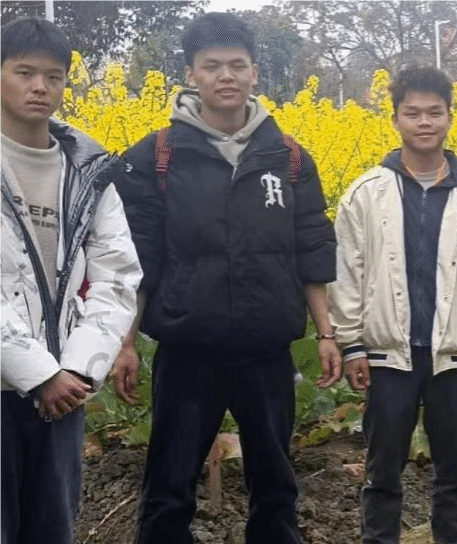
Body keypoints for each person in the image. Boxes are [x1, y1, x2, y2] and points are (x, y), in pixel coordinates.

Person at [108, 12, 339, 544]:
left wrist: (326, 332)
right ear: (191, 74)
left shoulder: (289, 157)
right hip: (188, 350)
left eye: (237, 65)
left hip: (267, 350)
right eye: (212, 66)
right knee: (168, 487)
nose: (226, 76)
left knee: (276, 487)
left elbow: (310, 249)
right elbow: (139, 262)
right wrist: (126, 343)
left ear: (255, 72)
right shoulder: (157, 156)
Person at [328, 65, 457, 544]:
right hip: (389, 356)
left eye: (434, 112)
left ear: (450, 117)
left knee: (456, 472)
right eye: (413, 113)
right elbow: (346, 273)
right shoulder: (366, 194)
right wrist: (351, 344)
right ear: (395, 119)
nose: (424, 122)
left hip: (455, 356)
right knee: (382, 471)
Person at [0, 16, 142, 544]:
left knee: (52, 529)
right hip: (21, 383)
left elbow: (117, 276)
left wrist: (77, 369)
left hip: (63, 394)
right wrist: (38, 372)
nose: (40, 87)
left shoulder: (89, 172)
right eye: (25, 73)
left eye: (54, 76)